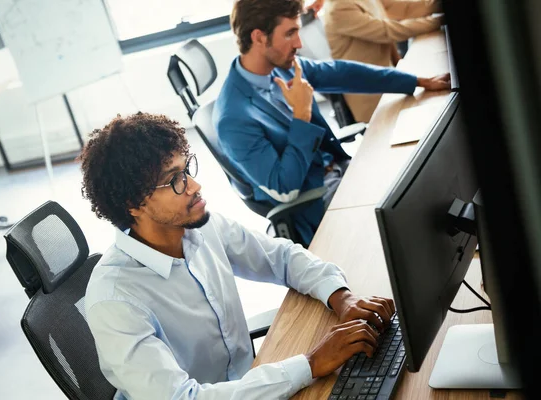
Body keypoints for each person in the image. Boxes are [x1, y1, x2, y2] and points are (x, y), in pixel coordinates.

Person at [80, 112, 395, 399]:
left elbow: (281, 258)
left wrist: (341, 297)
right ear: (133, 205)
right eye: (175, 180)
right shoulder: (115, 301)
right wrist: (311, 363)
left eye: (187, 168)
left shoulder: (198, 227)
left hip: (254, 384)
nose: (194, 185)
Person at [213, 0, 449, 246]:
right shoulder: (233, 118)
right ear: (259, 37)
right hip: (318, 202)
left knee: (422, 174)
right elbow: (285, 189)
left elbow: (341, 72)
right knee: (416, 211)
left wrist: (417, 81)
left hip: (341, 169)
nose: (300, 43)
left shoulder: (281, 67)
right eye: (290, 33)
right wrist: (301, 116)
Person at [306, 0, 443, 122]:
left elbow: (405, 8)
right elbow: (387, 31)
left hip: (394, 78)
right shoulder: (338, 8)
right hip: (373, 93)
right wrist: (437, 21)